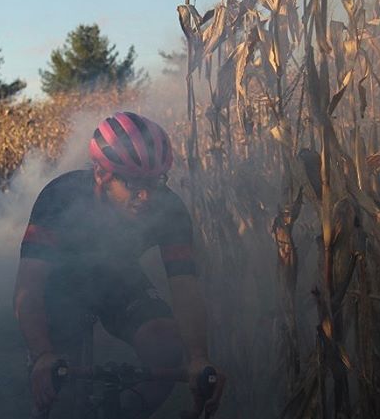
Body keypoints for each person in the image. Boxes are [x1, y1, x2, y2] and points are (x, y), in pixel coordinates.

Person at [13, 112, 224, 418]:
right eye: (134, 183)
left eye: (155, 182)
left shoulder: (170, 209)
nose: (146, 196)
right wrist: (43, 354)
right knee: (59, 382)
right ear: (101, 174)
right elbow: (28, 289)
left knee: (167, 345)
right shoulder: (59, 198)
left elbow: (185, 288)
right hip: (58, 285)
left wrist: (197, 358)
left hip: (117, 279)